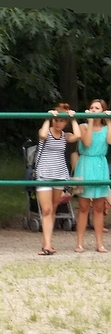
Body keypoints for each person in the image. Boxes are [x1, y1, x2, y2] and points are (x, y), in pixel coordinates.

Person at [34, 103, 81, 255]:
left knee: (53, 209)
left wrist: (73, 119)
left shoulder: (65, 136)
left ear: (65, 123)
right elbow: (41, 135)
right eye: (57, 120)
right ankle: (46, 245)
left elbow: (78, 136)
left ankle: (47, 243)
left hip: (59, 173)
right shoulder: (46, 132)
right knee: (46, 209)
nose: (58, 123)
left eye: (62, 120)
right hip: (44, 173)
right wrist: (48, 118)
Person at [73, 99, 111, 253]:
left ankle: (99, 244)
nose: (94, 110)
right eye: (91, 107)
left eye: (97, 108)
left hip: (100, 165)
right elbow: (87, 143)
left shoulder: (106, 127)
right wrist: (89, 123)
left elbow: (110, 141)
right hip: (85, 165)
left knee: (98, 207)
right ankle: (79, 243)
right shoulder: (82, 127)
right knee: (83, 207)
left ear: (103, 111)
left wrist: (109, 122)